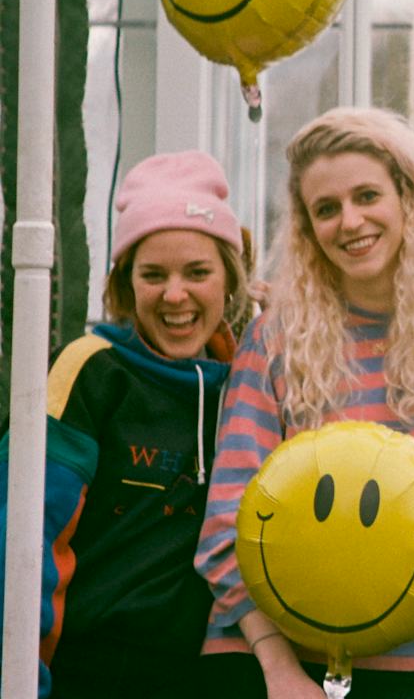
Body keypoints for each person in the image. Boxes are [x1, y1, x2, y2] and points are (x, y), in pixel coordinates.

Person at [195, 107, 414, 699]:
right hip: (269, 661)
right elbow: (228, 518)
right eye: (326, 209)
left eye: (368, 195)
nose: (350, 221)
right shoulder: (277, 334)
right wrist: (280, 669)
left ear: (409, 198)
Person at [0, 150, 250, 699]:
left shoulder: (247, 385)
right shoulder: (92, 371)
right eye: (153, 274)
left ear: (230, 280)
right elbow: (23, 532)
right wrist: (23, 679)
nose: (175, 294)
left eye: (199, 272)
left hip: (205, 672)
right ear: (124, 285)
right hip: (89, 669)